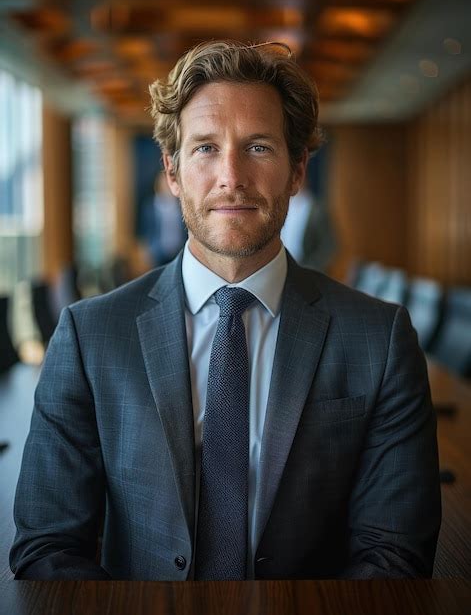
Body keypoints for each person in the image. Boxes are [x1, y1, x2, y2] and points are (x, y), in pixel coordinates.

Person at [10, 40, 441, 581]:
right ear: (171, 172)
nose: (231, 176)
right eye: (206, 148)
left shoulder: (380, 338)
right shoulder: (88, 334)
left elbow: (395, 556)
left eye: (258, 147)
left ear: (297, 169)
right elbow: (47, 549)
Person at [140, 171, 187, 267]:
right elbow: (145, 230)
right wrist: (146, 251)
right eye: (163, 181)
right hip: (157, 252)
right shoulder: (150, 205)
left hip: (178, 251)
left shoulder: (180, 204)